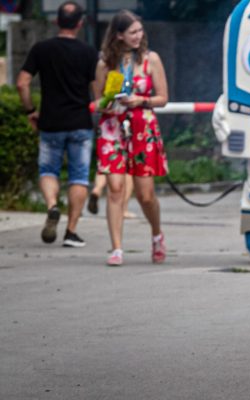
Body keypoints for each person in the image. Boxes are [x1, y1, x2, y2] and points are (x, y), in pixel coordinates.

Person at [15, 1, 98, 248]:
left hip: (50, 122)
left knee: (48, 171)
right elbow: (98, 92)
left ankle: (52, 206)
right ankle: (71, 232)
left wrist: (30, 110)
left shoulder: (42, 49)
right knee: (79, 176)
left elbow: (22, 83)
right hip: (80, 122)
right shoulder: (88, 52)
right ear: (81, 23)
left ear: (56, 21)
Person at [93, 10, 168, 266]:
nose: (139, 36)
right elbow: (97, 98)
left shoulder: (151, 59)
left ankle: (157, 234)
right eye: (133, 32)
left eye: (140, 30)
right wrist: (107, 104)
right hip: (113, 127)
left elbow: (163, 98)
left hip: (142, 126)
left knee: (145, 195)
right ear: (119, 35)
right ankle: (116, 248)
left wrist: (141, 100)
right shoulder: (104, 63)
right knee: (115, 188)